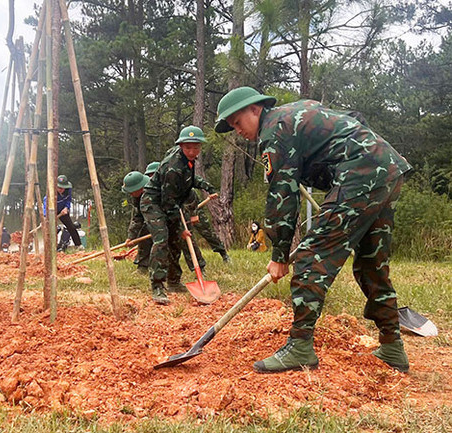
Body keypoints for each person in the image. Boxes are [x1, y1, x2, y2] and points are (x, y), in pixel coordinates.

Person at [215, 86, 412, 373]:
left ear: (255, 109)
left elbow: (282, 195)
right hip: (386, 167)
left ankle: (300, 346)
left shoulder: (275, 129)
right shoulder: (297, 111)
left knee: (311, 256)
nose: (238, 131)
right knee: (371, 261)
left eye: (237, 122)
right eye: (232, 126)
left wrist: (280, 254)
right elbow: (353, 119)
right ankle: (392, 347)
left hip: (360, 173)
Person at [140, 126, 217, 305]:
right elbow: (168, 202)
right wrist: (182, 227)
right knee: (162, 239)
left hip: (171, 202)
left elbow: (189, 180)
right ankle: (157, 286)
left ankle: (173, 281)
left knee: (175, 240)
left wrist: (207, 186)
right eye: (188, 147)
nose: (192, 151)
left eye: (196, 147)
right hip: (153, 202)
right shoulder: (173, 167)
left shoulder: (187, 160)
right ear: (181, 146)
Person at [121, 170, 152, 273]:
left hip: (169, 217)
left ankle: (198, 265)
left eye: (131, 191)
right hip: (152, 221)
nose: (130, 194)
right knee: (144, 234)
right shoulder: (137, 198)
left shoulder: (155, 191)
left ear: (140, 188)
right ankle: (143, 267)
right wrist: (131, 236)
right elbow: (138, 217)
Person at [44, 175, 82, 252]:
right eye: (59, 188)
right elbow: (45, 204)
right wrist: (45, 216)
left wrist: (66, 208)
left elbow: (68, 199)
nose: (61, 190)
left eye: (63, 188)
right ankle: (51, 248)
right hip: (52, 211)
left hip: (63, 210)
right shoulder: (51, 193)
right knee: (51, 230)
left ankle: (78, 245)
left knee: (71, 226)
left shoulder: (68, 190)